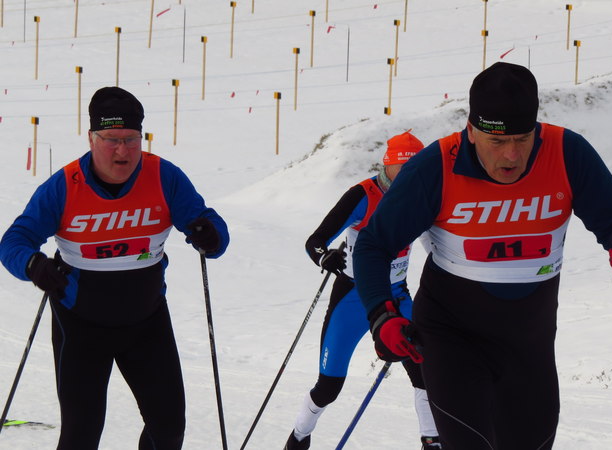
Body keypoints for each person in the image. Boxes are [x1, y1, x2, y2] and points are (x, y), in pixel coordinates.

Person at [353, 62, 612, 449]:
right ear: (471, 131)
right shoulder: (437, 167)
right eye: (497, 141)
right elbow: (373, 245)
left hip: (530, 344)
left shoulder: (566, 152)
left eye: (523, 138)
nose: (511, 154)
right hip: (451, 337)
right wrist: (381, 315)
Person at [0, 86, 229, 450]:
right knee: (81, 434)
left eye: (131, 139)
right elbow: (14, 241)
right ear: (92, 138)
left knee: (169, 429)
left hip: (146, 321)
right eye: (112, 140)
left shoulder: (164, 177)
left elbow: (208, 224)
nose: (123, 151)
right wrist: (33, 264)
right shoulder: (64, 186)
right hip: (80, 325)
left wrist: (211, 236)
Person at [284, 131, 440, 450]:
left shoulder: (422, 196)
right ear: (388, 165)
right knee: (329, 387)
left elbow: (437, 245)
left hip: (397, 295)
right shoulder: (363, 194)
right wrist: (325, 257)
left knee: (426, 371)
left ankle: (432, 441)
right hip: (352, 298)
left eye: (415, 168)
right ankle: (299, 437)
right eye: (403, 168)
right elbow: (316, 241)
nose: (408, 176)